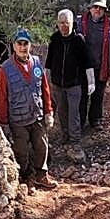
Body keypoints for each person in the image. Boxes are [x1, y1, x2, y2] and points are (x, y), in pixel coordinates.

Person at [0, 28, 58, 189]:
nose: (23, 47)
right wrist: (3, 122)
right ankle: (25, 178)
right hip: (18, 120)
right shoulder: (5, 69)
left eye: (26, 43)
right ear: (14, 45)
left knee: (41, 146)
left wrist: (48, 111)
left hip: (37, 116)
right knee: (21, 151)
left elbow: (45, 89)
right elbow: (2, 97)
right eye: (20, 43)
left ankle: (41, 175)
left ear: (30, 45)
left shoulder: (37, 63)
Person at [44, 9, 95, 144]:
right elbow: (49, 62)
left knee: (74, 115)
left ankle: (75, 141)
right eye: (61, 23)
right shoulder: (54, 39)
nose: (64, 26)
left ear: (72, 23)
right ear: (57, 23)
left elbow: (87, 62)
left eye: (67, 23)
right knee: (62, 113)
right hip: (57, 84)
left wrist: (91, 82)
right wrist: (44, 82)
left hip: (74, 85)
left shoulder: (79, 40)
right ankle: (65, 135)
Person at [76, 0, 110, 131]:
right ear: (90, 8)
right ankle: (80, 122)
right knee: (82, 96)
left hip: (102, 65)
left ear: (104, 10)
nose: (97, 10)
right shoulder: (80, 22)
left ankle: (95, 120)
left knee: (98, 95)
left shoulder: (109, 24)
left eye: (101, 8)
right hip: (83, 67)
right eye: (95, 7)